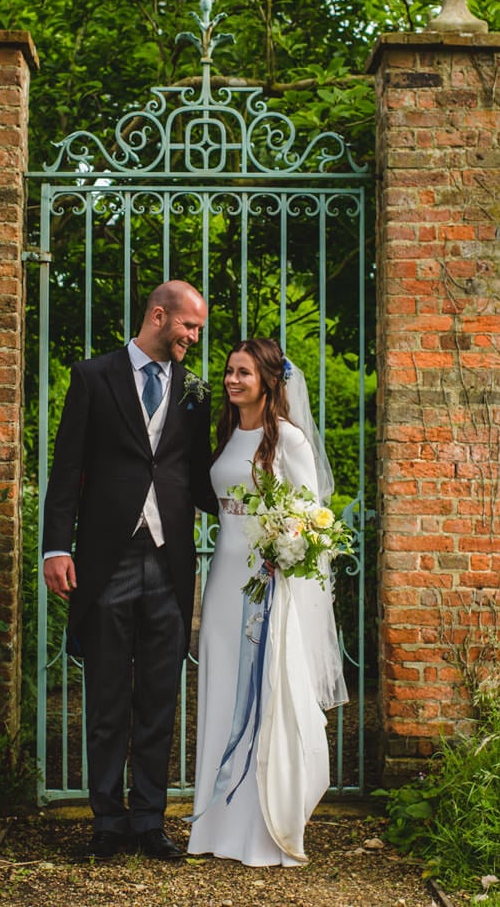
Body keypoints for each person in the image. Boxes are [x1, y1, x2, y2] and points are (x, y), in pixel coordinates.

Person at [42, 280, 219, 861]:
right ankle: (107, 822)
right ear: (158, 315)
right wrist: (55, 548)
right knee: (107, 699)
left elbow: (198, 477)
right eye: (188, 326)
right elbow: (66, 467)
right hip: (105, 561)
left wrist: (262, 506)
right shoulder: (94, 377)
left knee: (161, 698)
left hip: (169, 563)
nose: (194, 337)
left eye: (198, 329)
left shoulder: (194, 391)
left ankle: (149, 819)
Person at [187, 337, 347, 867]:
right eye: (230, 372)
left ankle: (261, 828)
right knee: (221, 690)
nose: (232, 381)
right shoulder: (228, 432)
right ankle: (214, 827)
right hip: (223, 582)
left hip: (266, 586)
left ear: (268, 382)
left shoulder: (291, 441)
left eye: (244, 374)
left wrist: (287, 548)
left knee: (266, 697)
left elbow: (311, 520)